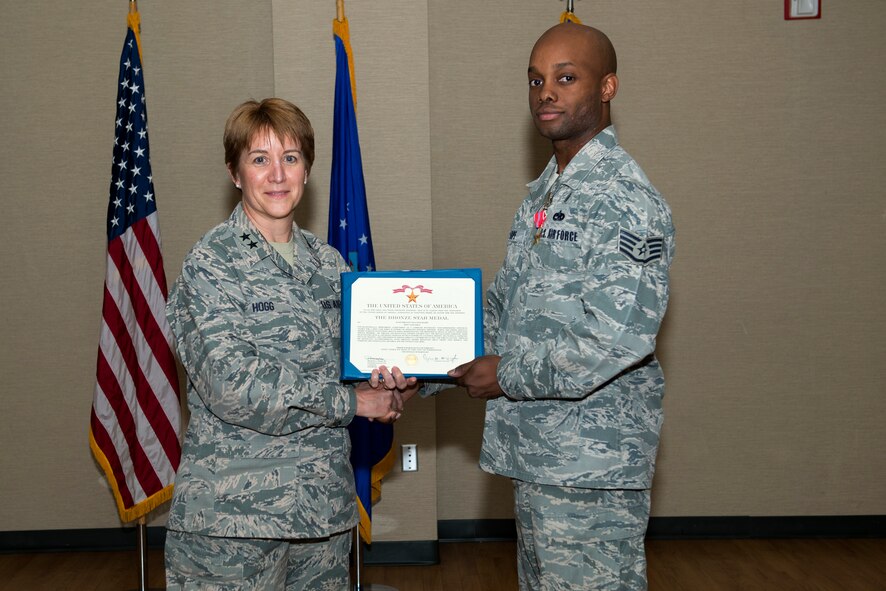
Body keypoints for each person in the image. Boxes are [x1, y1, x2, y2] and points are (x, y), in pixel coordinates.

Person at [448, 23, 675, 590]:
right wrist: (429, 359)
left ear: (608, 87)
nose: (545, 91)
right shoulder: (547, 194)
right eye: (535, 79)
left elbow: (617, 338)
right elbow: (505, 306)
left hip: (591, 467)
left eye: (566, 77)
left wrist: (505, 374)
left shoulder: (625, 199)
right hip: (541, 455)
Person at [164, 98, 417, 590]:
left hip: (321, 517)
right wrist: (352, 402)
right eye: (259, 159)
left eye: (291, 157)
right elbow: (231, 384)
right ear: (235, 173)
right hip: (234, 525)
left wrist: (408, 381)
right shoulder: (211, 265)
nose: (277, 174)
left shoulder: (329, 265)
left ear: (307, 169)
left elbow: (363, 359)